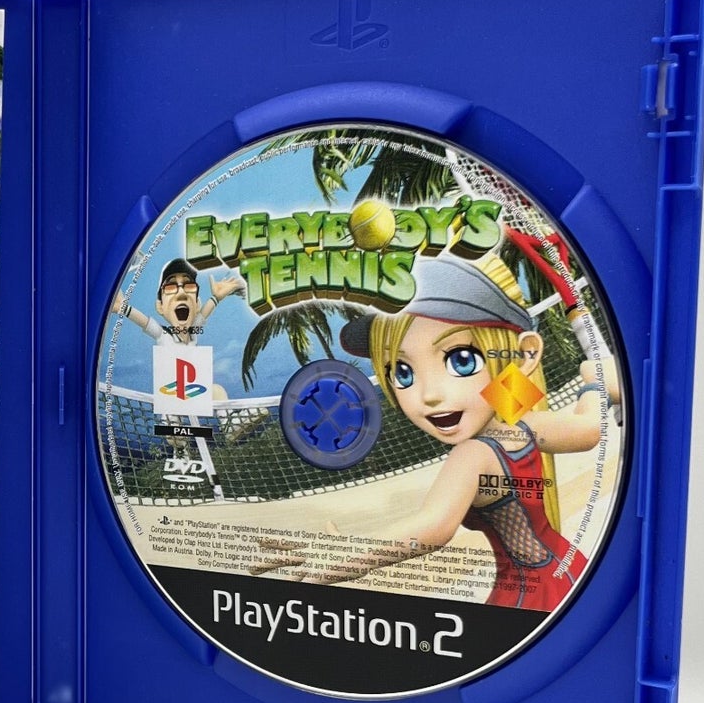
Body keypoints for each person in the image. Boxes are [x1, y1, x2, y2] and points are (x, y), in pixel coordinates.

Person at [253, 254, 619, 612]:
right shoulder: (520, 421)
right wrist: (595, 383)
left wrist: (349, 555)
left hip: (530, 598)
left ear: (524, 356)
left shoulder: (474, 454)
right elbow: (588, 429)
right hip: (568, 572)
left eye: (461, 360)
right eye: (402, 372)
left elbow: (432, 527)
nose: (429, 395)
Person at [116, 258, 244, 346]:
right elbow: (145, 322)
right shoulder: (164, 334)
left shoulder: (193, 331)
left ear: (197, 304)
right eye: (171, 287)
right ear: (160, 306)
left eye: (189, 285)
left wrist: (216, 297)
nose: (182, 293)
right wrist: (123, 307)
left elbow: (203, 314)